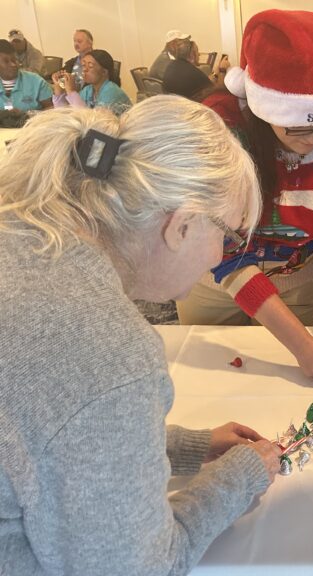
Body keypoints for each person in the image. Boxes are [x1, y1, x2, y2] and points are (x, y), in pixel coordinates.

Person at [0, 96, 280, 575]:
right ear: (183, 225)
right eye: (228, 237)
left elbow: (48, 430)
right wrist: (239, 478)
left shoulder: (25, 235)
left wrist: (177, 445)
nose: (221, 258)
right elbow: (137, 567)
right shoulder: (106, 349)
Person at [178, 10, 313, 385]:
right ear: (264, 104)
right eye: (298, 125)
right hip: (214, 285)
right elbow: (224, 250)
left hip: (297, 280)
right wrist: (301, 344)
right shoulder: (220, 132)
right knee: (210, 391)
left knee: (285, 397)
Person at [52, 49, 132, 116]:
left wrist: (71, 92)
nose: (84, 69)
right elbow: (68, 116)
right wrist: (59, 91)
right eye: (83, 65)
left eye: (90, 66)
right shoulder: (88, 90)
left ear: (104, 72)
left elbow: (91, 123)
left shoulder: (112, 91)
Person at [0, 40, 51, 112]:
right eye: (6, 61)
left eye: (14, 60)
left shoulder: (36, 81)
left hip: (34, 122)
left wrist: (27, 116)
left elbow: (51, 108)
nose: (13, 64)